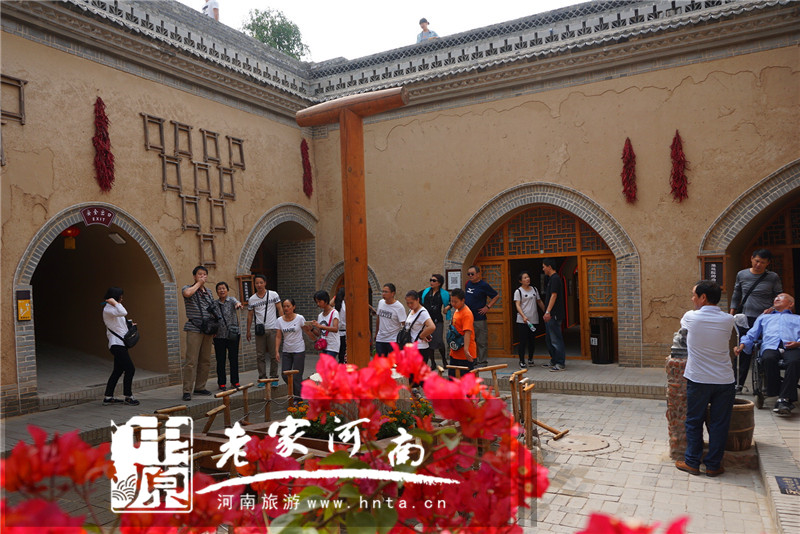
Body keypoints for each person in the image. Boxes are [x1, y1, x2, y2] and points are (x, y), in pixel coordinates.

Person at [676, 280, 736, 477]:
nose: (692, 299)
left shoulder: (690, 317)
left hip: (698, 379)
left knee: (694, 421)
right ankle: (713, 465)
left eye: (694, 295)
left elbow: (684, 332)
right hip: (724, 380)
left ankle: (692, 462)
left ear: (703, 297)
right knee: (719, 423)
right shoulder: (728, 319)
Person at [734, 293, 800, 415]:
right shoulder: (764, 317)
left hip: (792, 347)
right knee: (768, 358)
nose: (777, 298)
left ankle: (783, 399)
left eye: (781, 297)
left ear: (791, 304)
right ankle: (779, 392)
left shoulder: (797, 318)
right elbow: (752, 334)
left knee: (794, 361)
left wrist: (798, 343)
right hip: (771, 346)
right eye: (776, 297)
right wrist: (741, 345)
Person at [729, 249, 782, 393]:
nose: (758, 265)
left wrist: (773, 308)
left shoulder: (773, 277)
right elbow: (736, 294)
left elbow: (779, 296)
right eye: (757, 261)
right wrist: (731, 313)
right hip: (745, 318)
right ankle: (737, 384)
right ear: (751, 259)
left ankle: (767, 384)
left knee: (767, 350)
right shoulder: (742, 274)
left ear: (768, 263)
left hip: (766, 319)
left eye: (762, 262)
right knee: (743, 350)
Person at [181, 265, 217, 401]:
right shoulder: (188, 288)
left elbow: (212, 309)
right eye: (200, 274)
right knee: (191, 361)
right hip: (194, 328)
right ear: (194, 276)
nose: (202, 277)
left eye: (204, 275)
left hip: (208, 328)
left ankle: (200, 387)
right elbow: (187, 294)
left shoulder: (208, 292)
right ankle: (187, 390)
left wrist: (214, 328)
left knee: (205, 360)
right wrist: (198, 284)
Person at [102, 287, 139, 406]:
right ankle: (128, 396)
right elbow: (123, 312)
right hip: (116, 344)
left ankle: (108, 397)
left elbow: (120, 323)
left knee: (117, 371)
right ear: (115, 297)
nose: (122, 299)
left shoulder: (114, 308)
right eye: (120, 297)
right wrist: (114, 302)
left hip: (120, 343)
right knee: (130, 369)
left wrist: (130, 325)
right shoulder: (108, 309)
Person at [246, 274, 282, 388]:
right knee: (260, 355)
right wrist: (248, 330)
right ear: (254, 284)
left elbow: (280, 309)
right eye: (257, 283)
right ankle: (262, 378)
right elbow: (250, 316)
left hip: (272, 328)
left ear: (265, 283)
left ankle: (274, 377)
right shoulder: (252, 299)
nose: (259, 285)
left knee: (273, 354)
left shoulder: (273, 294)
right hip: (259, 330)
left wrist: (282, 325)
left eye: (261, 282)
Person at [276, 299, 311, 400]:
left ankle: (298, 399)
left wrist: (314, 337)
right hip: (286, 350)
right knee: (285, 375)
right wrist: (276, 351)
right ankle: (299, 391)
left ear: (293, 307)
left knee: (296, 376)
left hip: (299, 350)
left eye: (288, 306)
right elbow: (278, 336)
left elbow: (307, 331)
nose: (286, 308)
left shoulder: (300, 318)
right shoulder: (279, 320)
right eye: (284, 306)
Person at [465, 265, 499, 368]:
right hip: (468, 317)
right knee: (470, 340)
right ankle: (472, 360)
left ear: (478, 274)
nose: (470, 276)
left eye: (472, 274)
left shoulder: (484, 285)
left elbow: (496, 296)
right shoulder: (468, 284)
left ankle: (482, 361)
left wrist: (487, 307)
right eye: (468, 274)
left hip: (479, 318)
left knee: (481, 341)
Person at [213, 281, 242, 391]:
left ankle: (235, 381)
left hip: (233, 335)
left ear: (227, 290)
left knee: (233, 359)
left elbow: (237, 303)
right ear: (217, 291)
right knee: (220, 360)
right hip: (219, 336)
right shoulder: (214, 304)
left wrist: (238, 305)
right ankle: (221, 383)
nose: (222, 290)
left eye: (224, 288)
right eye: (219, 289)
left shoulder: (232, 300)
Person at [514, 271, 545, 369]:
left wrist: (546, 311)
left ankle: (530, 358)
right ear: (520, 281)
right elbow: (517, 305)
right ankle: (522, 361)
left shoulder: (534, 289)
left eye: (528, 277)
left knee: (532, 340)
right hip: (523, 320)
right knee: (523, 341)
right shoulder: (518, 291)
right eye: (525, 278)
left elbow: (539, 301)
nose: (528, 279)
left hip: (533, 319)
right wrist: (523, 316)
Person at [421, 273, 450, 369]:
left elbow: (452, 302)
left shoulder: (444, 294)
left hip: (438, 320)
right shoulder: (426, 292)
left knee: (439, 341)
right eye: (431, 280)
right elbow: (417, 299)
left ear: (439, 283)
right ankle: (432, 362)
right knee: (429, 341)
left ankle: (444, 360)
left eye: (434, 280)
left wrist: (447, 308)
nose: (431, 282)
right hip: (427, 320)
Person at [542, 259, 566, 371]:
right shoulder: (551, 279)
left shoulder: (555, 278)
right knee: (549, 339)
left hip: (554, 315)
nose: (543, 269)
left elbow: (554, 295)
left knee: (556, 339)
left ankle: (560, 363)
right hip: (550, 315)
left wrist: (548, 312)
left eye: (544, 266)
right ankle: (554, 360)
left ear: (549, 267)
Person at [403, 290, 437, 367]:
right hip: (411, 347)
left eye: (411, 303)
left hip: (420, 348)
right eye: (407, 303)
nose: (409, 305)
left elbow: (432, 326)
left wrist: (421, 336)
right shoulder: (411, 311)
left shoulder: (423, 312)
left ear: (417, 300)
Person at [448, 288, 476, 378]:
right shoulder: (457, 310)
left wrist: (466, 350)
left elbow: (467, 332)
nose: (453, 304)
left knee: (466, 380)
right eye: (452, 301)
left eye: (455, 302)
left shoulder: (467, 313)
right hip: (455, 350)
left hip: (465, 353)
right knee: (452, 379)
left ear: (463, 300)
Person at [373, 283, 407, 357]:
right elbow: (378, 318)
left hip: (393, 339)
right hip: (380, 339)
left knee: (393, 362)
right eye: (383, 291)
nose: (383, 294)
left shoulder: (399, 307)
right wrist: (376, 333)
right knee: (381, 361)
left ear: (392, 293)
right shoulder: (381, 302)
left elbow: (404, 323)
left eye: (386, 292)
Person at [309, 290, 340, 359]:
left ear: (326, 300)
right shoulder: (320, 315)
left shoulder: (334, 313)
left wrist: (320, 326)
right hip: (323, 345)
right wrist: (312, 329)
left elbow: (335, 329)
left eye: (319, 301)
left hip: (332, 345)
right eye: (316, 302)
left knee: (327, 364)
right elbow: (318, 333)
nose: (318, 304)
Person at [334, 287, 347, 364]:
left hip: (338, 333)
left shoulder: (336, 305)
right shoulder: (344, 306)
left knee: (340, 354)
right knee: (344, 353)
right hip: (344, 332)